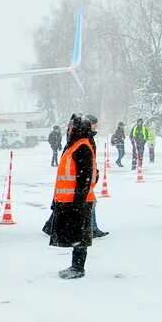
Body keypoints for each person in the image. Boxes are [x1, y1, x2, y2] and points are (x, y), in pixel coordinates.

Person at [49, 113, 96, 279]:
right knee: (75, 235)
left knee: (80, 236)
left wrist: (78, 202)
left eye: (71, 127)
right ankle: (75, 265)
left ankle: (78, 268)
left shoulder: (82, 147)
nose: (69, 130)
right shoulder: (73, 145)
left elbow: (84, 179)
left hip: (78, 201)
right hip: (68, 201)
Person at [85, 114, 108, 238]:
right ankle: (92, 229)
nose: (95, 126)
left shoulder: (88, 136)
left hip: (89, 174)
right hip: (86, 176)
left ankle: (92, 228)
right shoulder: (85, 137)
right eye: (94, 123)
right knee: (90, 202)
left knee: (90, 202)